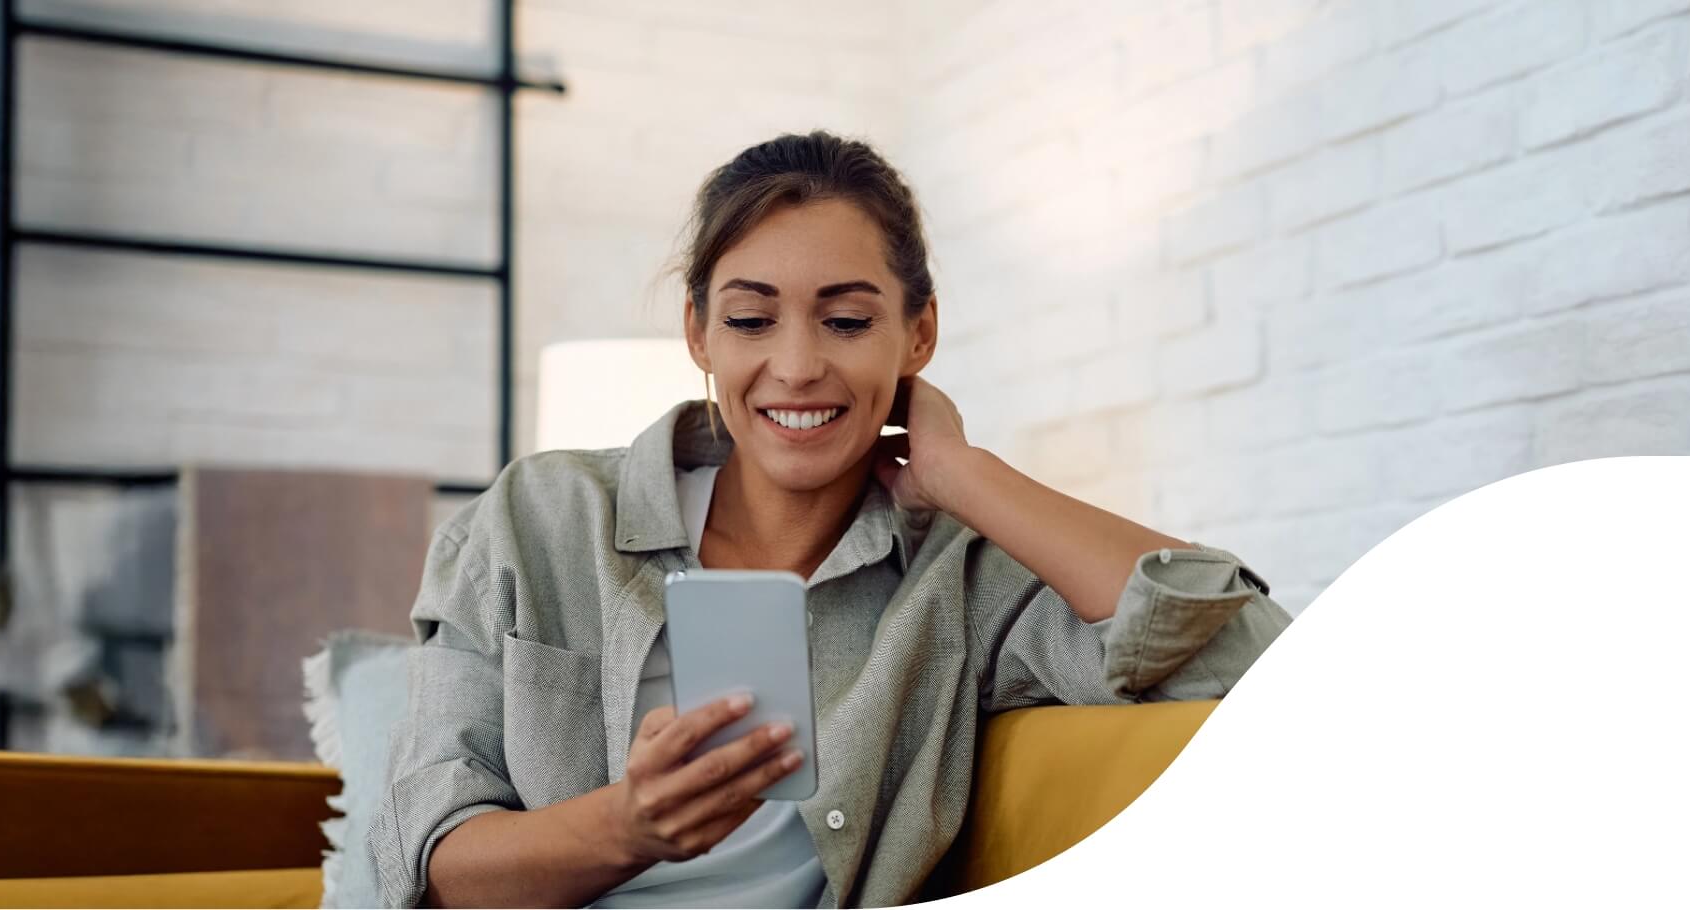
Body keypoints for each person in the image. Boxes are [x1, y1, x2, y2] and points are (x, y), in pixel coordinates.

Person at [369, 131, 1291, 909]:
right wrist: (627, 825)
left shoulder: (964, 581)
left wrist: (965, 474)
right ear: (698, 333)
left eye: (847, 321)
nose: (799, 365)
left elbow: (1248, 659)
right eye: (751, 320)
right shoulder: (540, 519)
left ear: (918, 333)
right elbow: (428, 857)